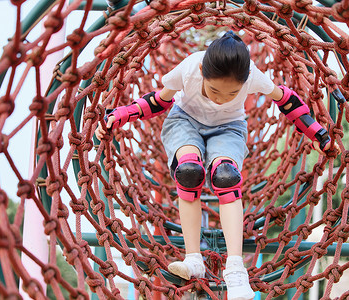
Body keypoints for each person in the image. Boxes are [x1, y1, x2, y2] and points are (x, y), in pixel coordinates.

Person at [96, 31, 332, 300]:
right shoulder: (189, 68)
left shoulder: (253, 74)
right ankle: (193, 259)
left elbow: (286, 100)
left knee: (225, 176)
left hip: (229, 128)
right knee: (189, 172)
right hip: (184, 121)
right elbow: (160, 100)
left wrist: (317, 134)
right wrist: (121, 115)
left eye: (232, 92)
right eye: (214, 90)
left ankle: (235, 269)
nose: (221, 98)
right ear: (201, 71)